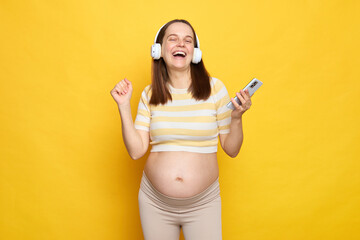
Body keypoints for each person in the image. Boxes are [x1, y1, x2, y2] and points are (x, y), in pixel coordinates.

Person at [110, 19, 252, 240]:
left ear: (194, 52)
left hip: (203, 203)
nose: (181, 44)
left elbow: (232, 149)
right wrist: (123, 106)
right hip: (154, 202)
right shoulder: (150, 94)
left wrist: (236, 118)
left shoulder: (215, 89)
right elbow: (136, 151)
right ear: (158, 50)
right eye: (173, 39)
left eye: (188, 41)